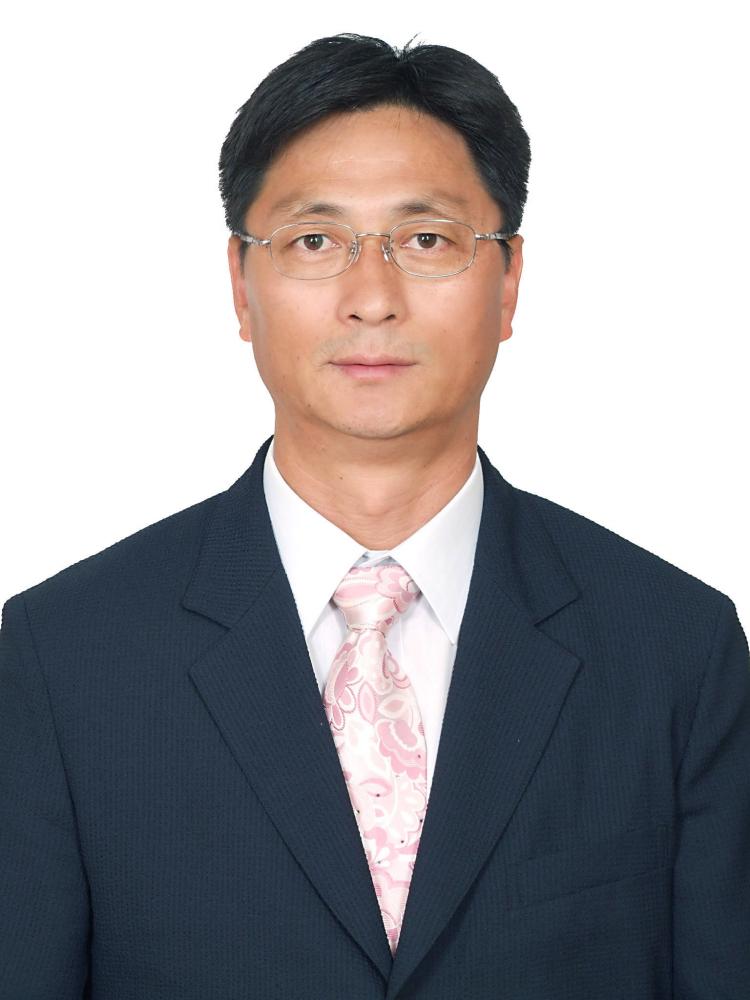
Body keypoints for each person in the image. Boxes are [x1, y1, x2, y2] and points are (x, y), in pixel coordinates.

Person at [1, 31, 748, 1000]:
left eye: (427, 240)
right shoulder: (65, 656)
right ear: (240, 285)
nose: (371, 298)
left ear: (509, 280)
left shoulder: (675, 649)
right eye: (315, 241)